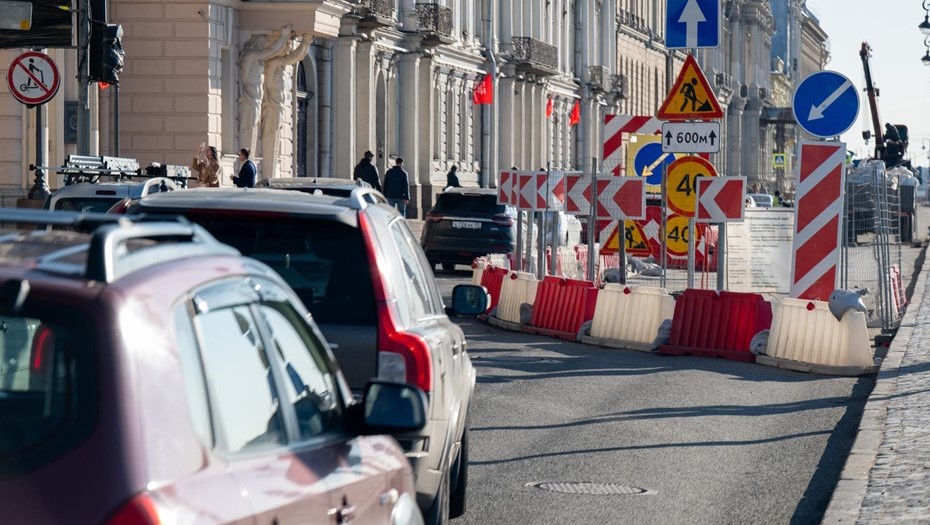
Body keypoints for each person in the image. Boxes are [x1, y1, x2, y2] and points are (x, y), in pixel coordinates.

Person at [238, 27, 292, 157]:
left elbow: (271, 53)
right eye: (262, 45)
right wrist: (283, 36)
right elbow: (270, 52)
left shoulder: (257, 61)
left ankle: (250, 160)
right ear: (255, 44)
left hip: (256, 101)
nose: (263, 48)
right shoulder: (249, 56)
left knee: (258, 128)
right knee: (248, 129)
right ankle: (247, 160)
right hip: (249, 101)